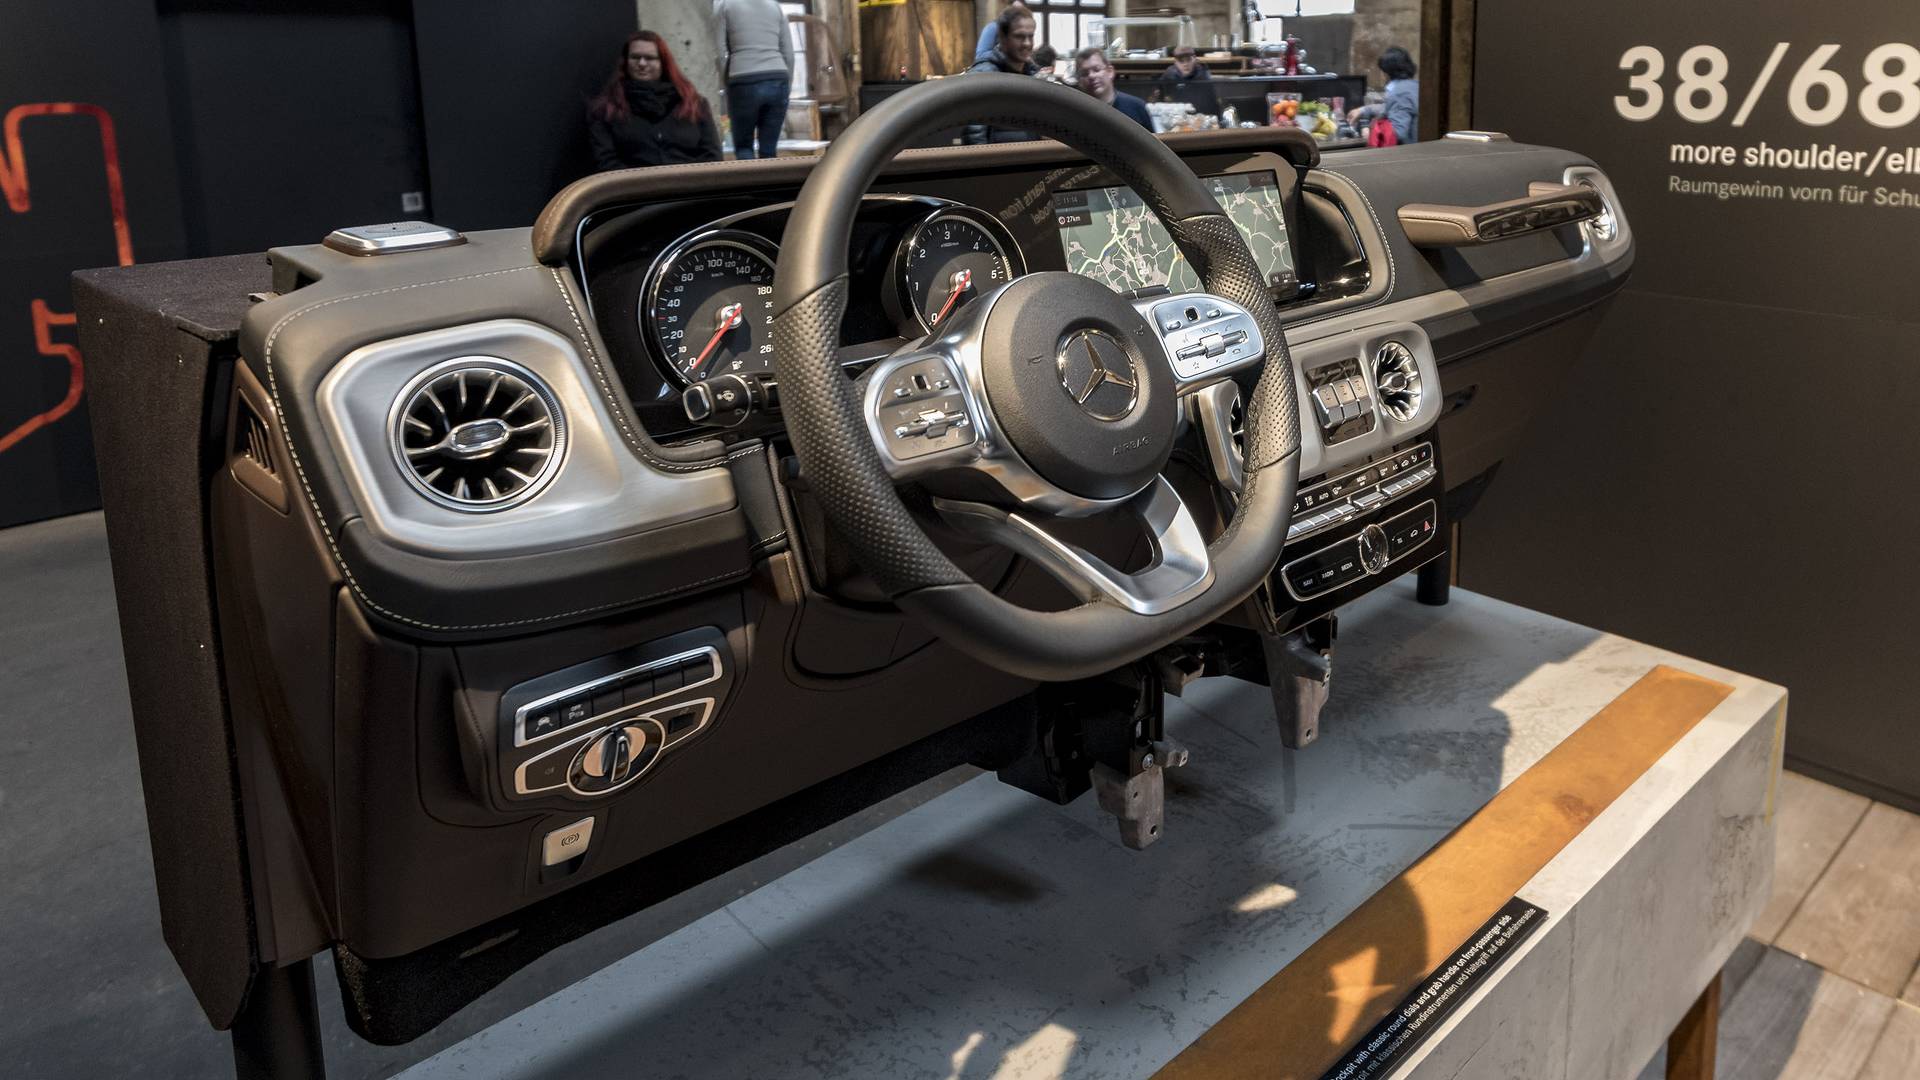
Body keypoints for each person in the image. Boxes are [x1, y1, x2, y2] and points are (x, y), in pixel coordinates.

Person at [587, 31, 721, 170]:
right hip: (632, 190)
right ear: (625, 61)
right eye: (635, 57)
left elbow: (712, 157)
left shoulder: (695, 104)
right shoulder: (604, 110)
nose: (642, 63)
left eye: (650, 58)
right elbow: (606, 163)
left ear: (663, 63)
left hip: (690, 188)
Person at [715, 0, 794, 160]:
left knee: (744, 148)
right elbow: (789, 54)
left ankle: (748, 185)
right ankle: (771, 185)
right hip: (778, 77)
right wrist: (788, 85)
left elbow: (719, 51)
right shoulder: (775, 6)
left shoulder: (725, 5)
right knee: (769, 149)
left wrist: (727, 82)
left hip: (742, 79)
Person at [962, 7, 1040, 144]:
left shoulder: (1033, 76)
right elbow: (974, 136)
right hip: (997, 163)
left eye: (1031, 36)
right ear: (1003, 38)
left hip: (1029, 160)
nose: (1027, 43)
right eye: (1019, 36)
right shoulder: (984, 76)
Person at [1347, 46, 1418, 144]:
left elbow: (1397, 133)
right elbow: (1395, 108)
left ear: (1386, 73)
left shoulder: (1400, 93)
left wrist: (1371, 131)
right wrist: (1363, 110)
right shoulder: (1413, 86)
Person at [1072, 47, 1154, 132]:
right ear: (1079, 81)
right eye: (1084, 73)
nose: (1091, 76)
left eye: (1097, 70)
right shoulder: (1075, 114)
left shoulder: (1136, 107)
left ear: (1110, 71)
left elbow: (1154, 143)